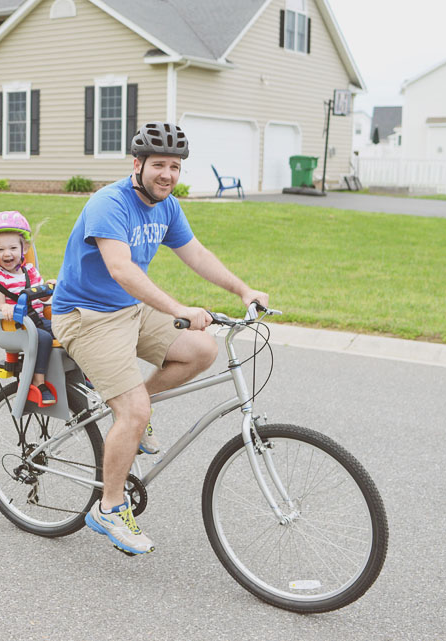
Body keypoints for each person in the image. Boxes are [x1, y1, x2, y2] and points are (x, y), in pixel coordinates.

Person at [50, 122, 269, 555]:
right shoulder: (108, 204)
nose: (167, 174)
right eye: (159, 165)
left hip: (129, 310)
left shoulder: (166, 206)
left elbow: (197, 254)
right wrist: (180, 309)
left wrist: (243, 290)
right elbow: (122, 269)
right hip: (85, 316)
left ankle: (135, 411)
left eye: (175, 166)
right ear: (138, 165)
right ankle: (108, 508)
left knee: (202, 349)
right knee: (131, 411)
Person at [0, 210, 58, 406]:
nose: (7, 254)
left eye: (12, 248)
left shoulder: (30, 271)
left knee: (67, 329)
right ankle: (39, 383)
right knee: (42, 338)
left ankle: (80, 371)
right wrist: (5, 308)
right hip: (18, 324)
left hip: (36, 318)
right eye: (0, 250)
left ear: (24, 248)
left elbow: (42, 296)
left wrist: (49, 287)